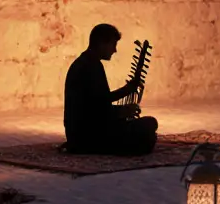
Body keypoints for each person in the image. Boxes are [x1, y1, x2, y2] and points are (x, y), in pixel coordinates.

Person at [63, 23, 158, 156]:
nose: (115, 50)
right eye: (113, 45)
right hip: (88, 135)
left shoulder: (86, 62)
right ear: (102, 43)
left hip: (78, 134)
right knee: (149, 125)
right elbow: (96, 110)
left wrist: (126, 91)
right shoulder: (91, 67)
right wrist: (122, 111)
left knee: (147, 127)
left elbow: (100, 100)